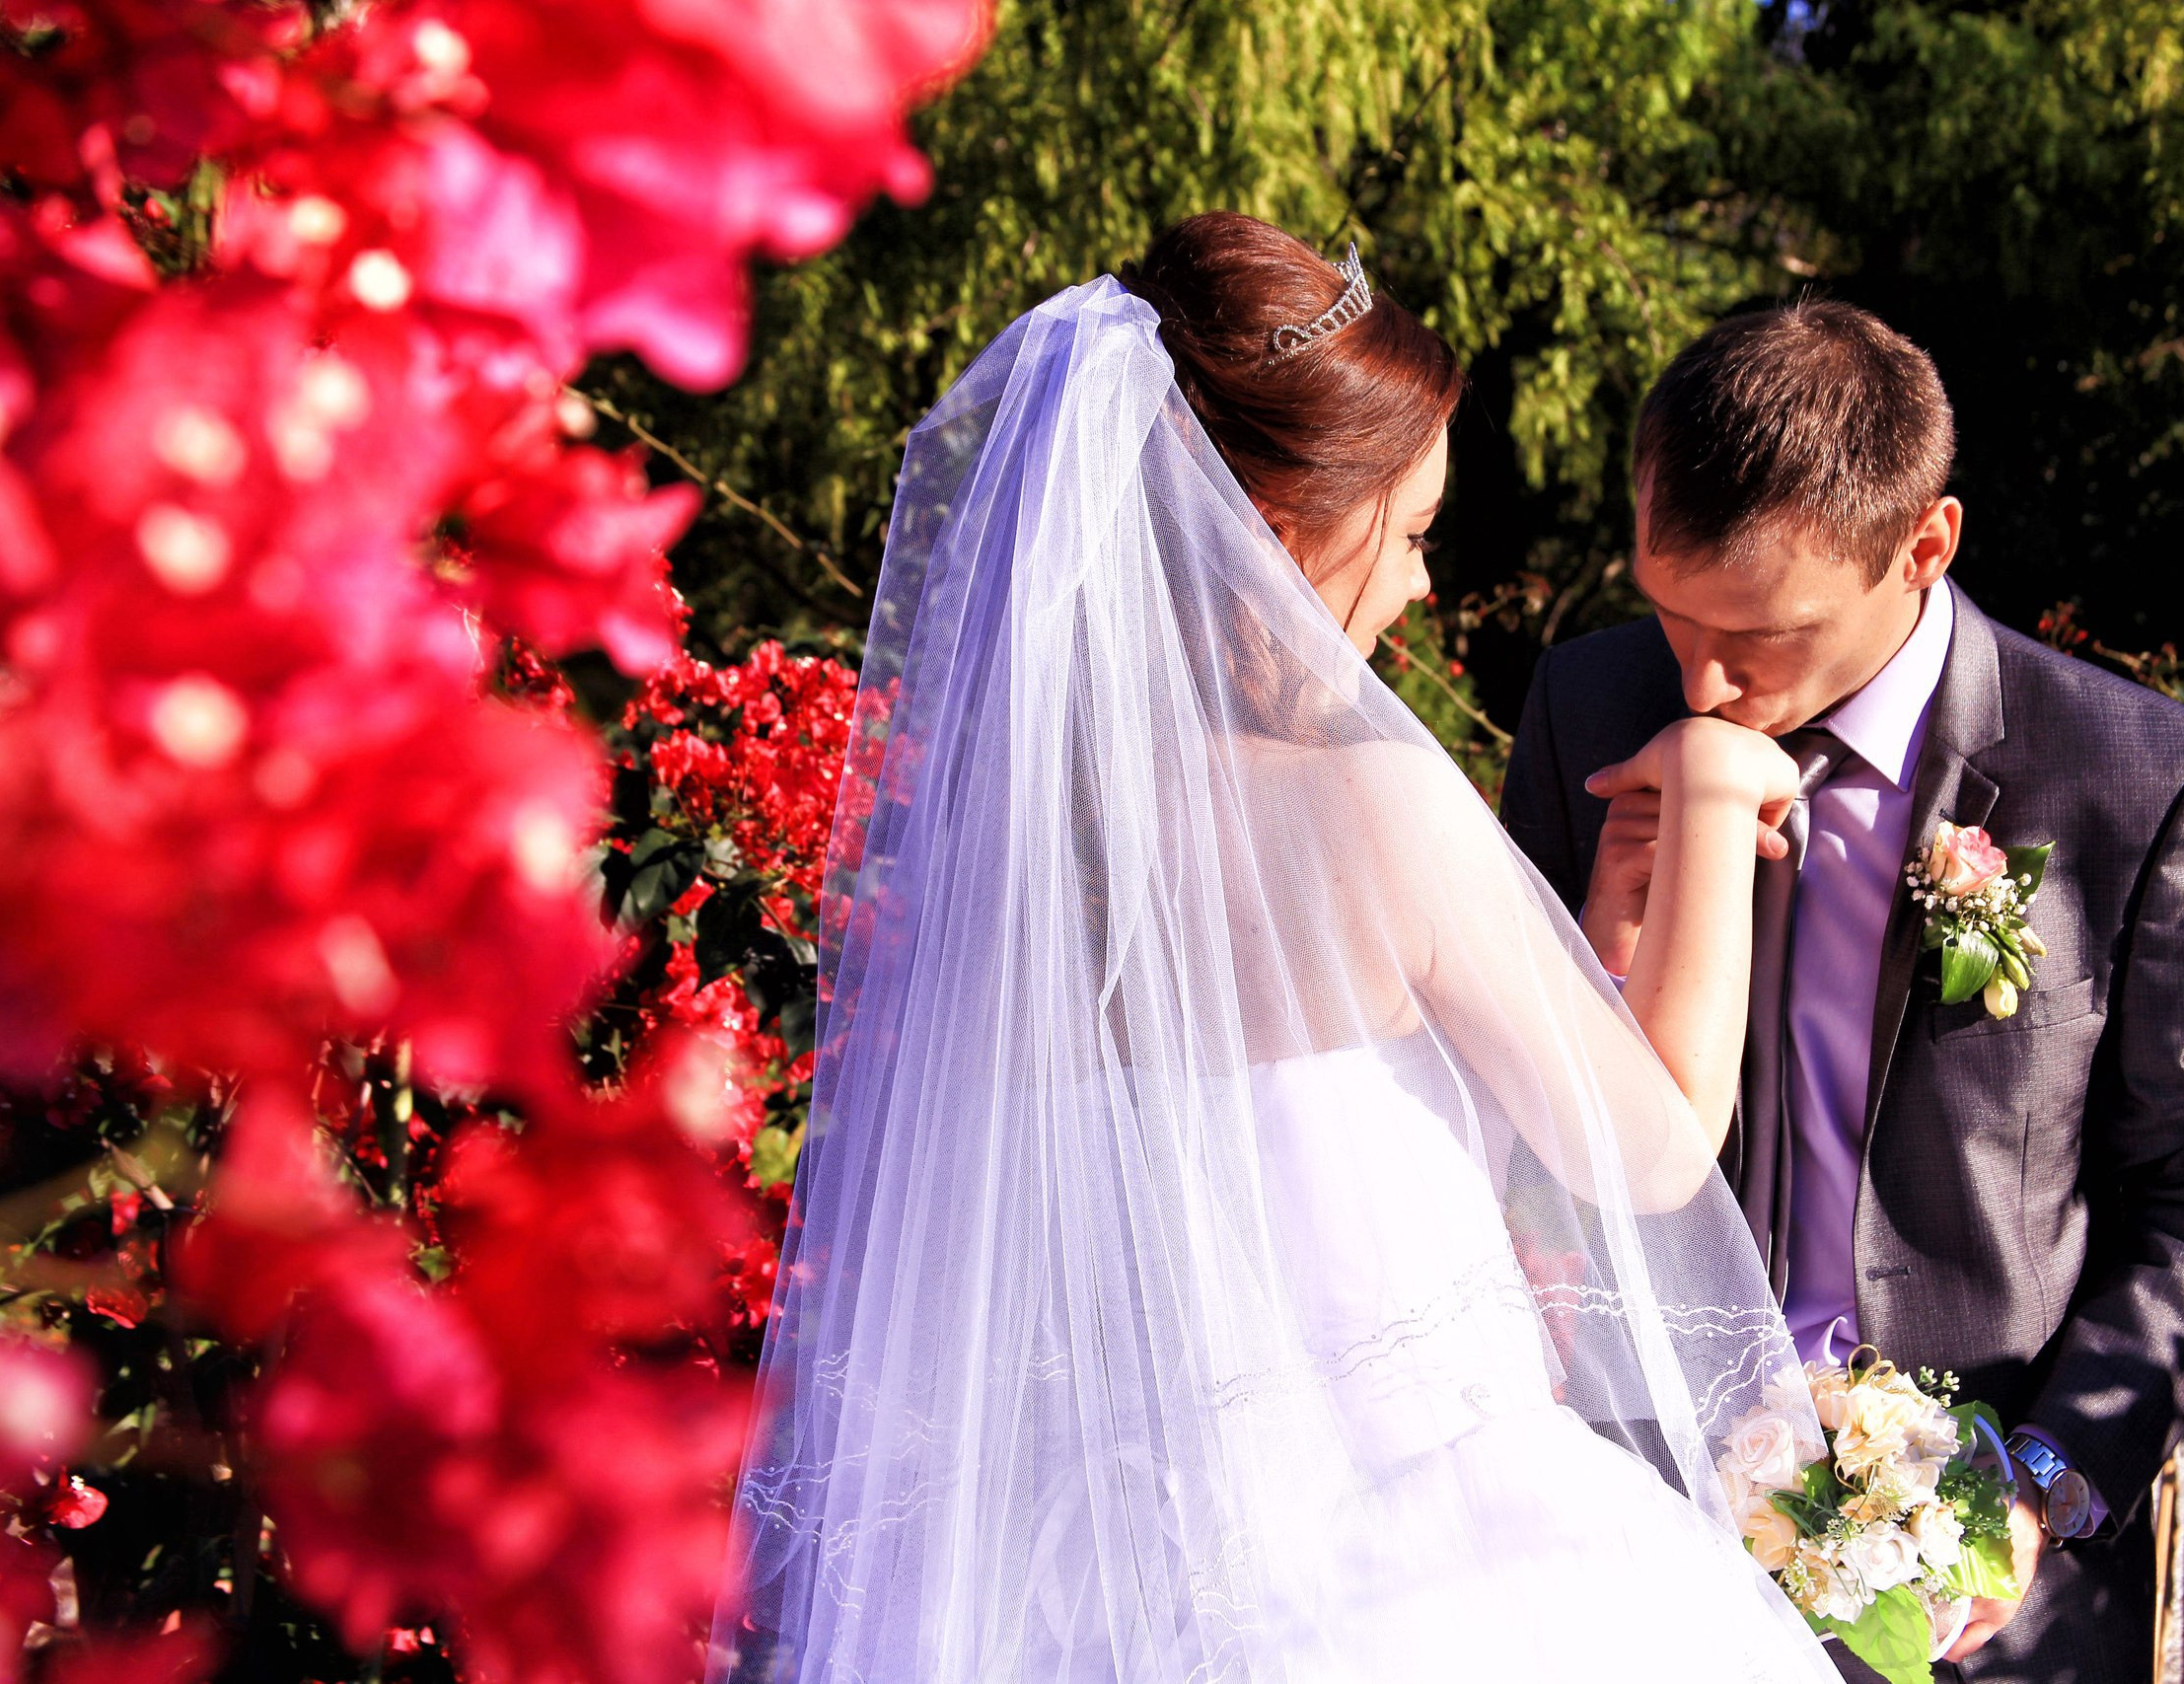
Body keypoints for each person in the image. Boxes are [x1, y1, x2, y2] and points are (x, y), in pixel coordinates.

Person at [703, 212, 1845, 1682]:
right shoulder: (1369, 810)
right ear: (1283, 537)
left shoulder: (1025, 865)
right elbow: (1664, 1147)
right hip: (1422, 1584)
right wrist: (1710, 794)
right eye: (1415, 533)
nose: (1425, 588)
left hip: (1098, 1601)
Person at [1500, 299, 2184, 1684]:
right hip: (1633, 1547)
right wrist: (1596, 940)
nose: (1703, 680)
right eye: (1669, 611)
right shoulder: (1587, 708)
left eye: (1763, 633)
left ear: (1924, 547)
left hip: (1981, 1592)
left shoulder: (2138, 782)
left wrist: (2043, 1478)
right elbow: (1513, 1147)